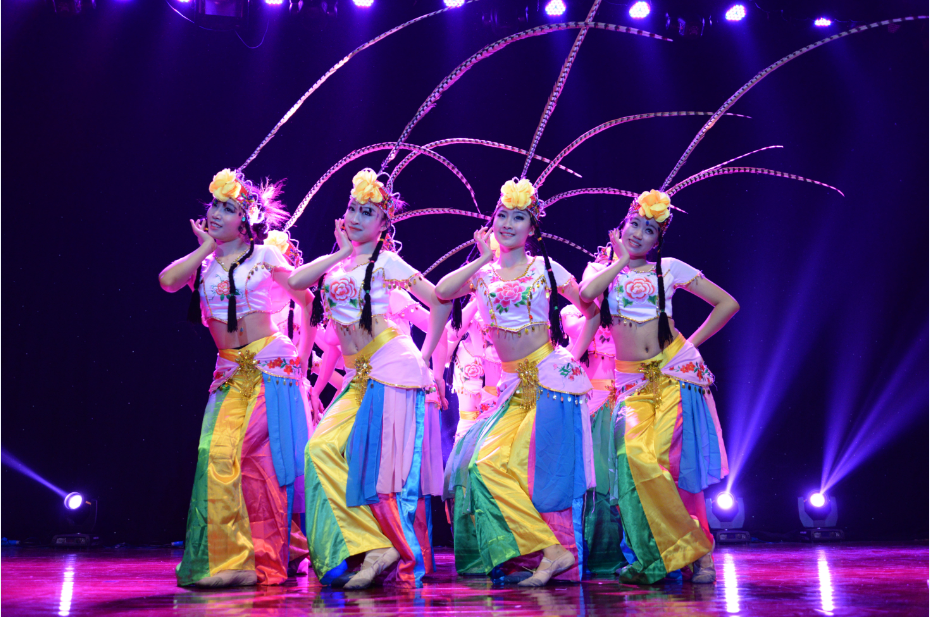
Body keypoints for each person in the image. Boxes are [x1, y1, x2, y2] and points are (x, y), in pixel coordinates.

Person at [288, 169, 451, 589]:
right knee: (320, 449)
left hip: (391, 366)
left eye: (368, 212)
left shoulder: (386, 261)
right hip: (359, 375)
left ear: (384, 224)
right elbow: (295, 281)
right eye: (352, 209)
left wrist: (426, 357)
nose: (356, 217)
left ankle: (387, 547)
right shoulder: (339, 265)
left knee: (381, 469)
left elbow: (440, 301)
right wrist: (340, 252)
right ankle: (373, 544)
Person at [436, 178, 600, 587]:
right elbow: (442, 291)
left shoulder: (546, 268)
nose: (508, 224)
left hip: (549, 381)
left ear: (532, 228)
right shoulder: (483, 274)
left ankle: (555, 553)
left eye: (519, 217)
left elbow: (593, 311)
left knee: (538, 472)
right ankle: (550, 551)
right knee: (484, 465)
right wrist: (480, 258)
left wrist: (573, 357)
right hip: (512, 387)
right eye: (502, 215)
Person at [159, 169, 318, 587]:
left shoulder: (266, 255)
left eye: (227, 208)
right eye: (214, 205)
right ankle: (240, 558)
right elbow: (167, 282)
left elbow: (307, 301)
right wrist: (204, 248)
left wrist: (302, 360)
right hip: (229, 371)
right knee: (216, 454)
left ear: (246, 220)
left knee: (254, 461)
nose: (215, 213)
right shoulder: (204, 265)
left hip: (271, 367)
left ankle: (259, 558)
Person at [579, 190, 738, 585]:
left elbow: (727, 304)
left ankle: (697, 553)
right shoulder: (600, 271)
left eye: (649, 230)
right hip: (630, 383)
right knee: (634, 460)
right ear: (621, 227)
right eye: (634, 224)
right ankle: (671, 553)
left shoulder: (669, 268)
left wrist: (688, 348)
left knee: (669, 466)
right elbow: (586, 297)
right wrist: (619, 261)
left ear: (657, 240)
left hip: (671, 378)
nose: (638, 233)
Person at [560, 249, 626, 577]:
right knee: (597, 481)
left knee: (625, 479)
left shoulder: (625, 311)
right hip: (591, 404)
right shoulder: (571, 314)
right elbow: (584, 330)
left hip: (625, 401)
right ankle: (597, 556)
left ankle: (633, 554)